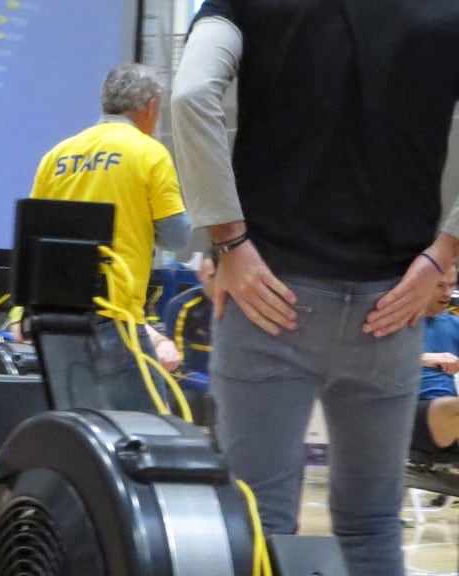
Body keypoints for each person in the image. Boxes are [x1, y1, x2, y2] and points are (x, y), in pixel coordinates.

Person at [170, 2, 459, 574]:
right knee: (373, 525)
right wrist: (443, 253)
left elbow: (190, 94)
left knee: (258, 526)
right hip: (391, 305)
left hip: (270, 297)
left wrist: (229, 242)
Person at [29, 62, 190, 407]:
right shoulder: (149, 153)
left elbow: (34, 236)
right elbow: (176, 237)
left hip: (57, 321)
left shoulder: (55, 156)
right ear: (150, 107)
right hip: (116, 318)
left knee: (78, 431)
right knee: (148, 431)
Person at [413, 267, 459, 456]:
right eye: (439, 286)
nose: (447, 293)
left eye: (452, 285)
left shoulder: (454, 325)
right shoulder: (398, 322)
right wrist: (425, 358)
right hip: (409, 410)